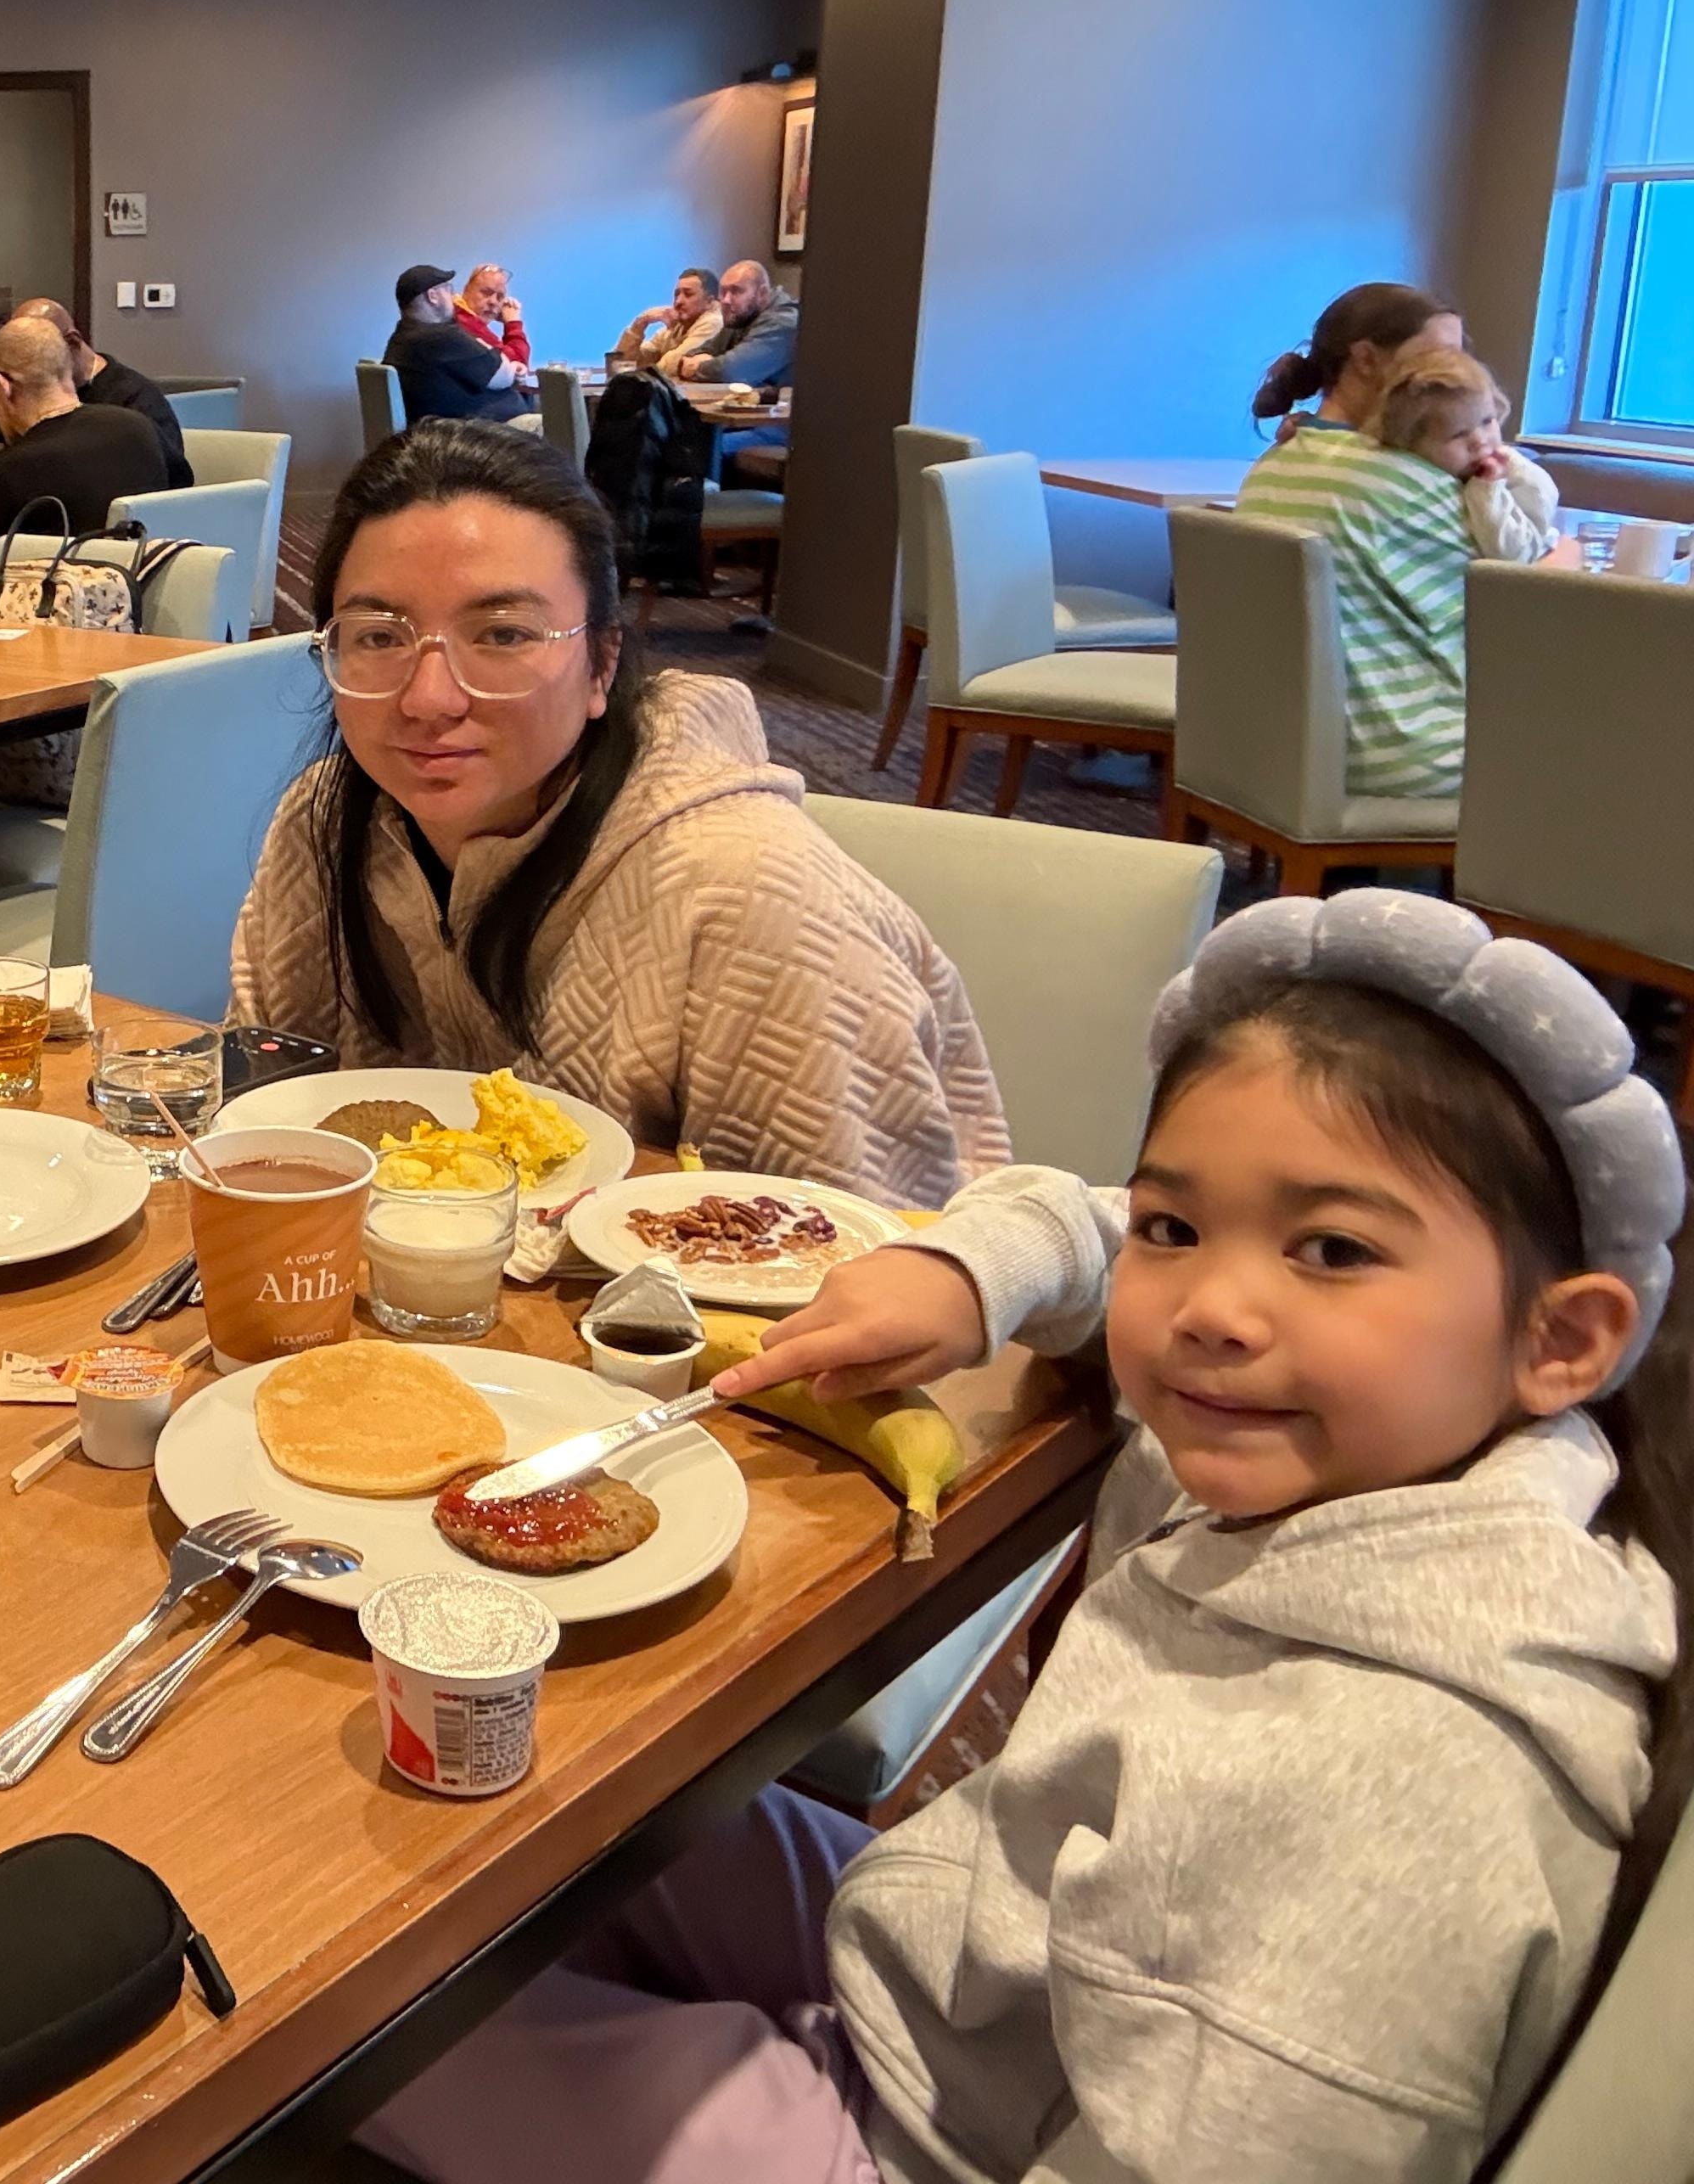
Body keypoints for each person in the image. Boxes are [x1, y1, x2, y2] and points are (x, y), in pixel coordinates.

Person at [361, 889, 1689, 2184]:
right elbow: (1098, 1222)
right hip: (981, 1971)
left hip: (931, 2143)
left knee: (366, 2034)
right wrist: (965, 1271)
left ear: (1560, 1340)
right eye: (1181, 1227)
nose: (1211, 1307)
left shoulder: (1393, 1803)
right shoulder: (1394, 1449)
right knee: (551, 1826)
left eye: (1333, 1251)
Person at [229, 421, 1005, 1207]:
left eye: (503, 634)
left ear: (602, 663)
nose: (430, 699)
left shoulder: (756, 899)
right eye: (378, 636)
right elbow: (258, 1128)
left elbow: (854, 1245)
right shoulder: (327, 819)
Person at [1237, 281, 1478, 800]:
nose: (1454, 377)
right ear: (1365, 359)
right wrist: (1563, 554)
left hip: (1278, 749)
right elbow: (1510, 611)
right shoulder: (1412, 484)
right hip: (1407, 760)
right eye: (1438, 357)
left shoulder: (1272, 465)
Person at [0, 317, 169, 609]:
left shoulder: (9, 468)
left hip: (54, 607)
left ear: (3, 386)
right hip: (146, 589)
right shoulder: (139, 427)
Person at [1373, 346, 1566, 565]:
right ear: (1410, 445)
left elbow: (1514, 555)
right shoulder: (1418, 476)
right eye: (1459, 434)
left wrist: (1486, 490)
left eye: (1487, 421)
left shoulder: (1524, 480)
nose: (1480, 441)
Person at [8, 294, 191, 481]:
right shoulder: (39, 395)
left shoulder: (136, 400)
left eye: (41, 356)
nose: (32, 370)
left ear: (72, 342)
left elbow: (171, 480)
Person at [383, 265, 529, 425]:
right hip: (467, 434)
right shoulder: (440, 337)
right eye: (448, 289)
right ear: (433, 296)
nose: (453, 297)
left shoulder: (402, 337)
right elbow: (502, 375)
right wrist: (510, 366)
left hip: (439, 428)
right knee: (547, 421)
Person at [677, 259, 799, 389]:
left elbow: (734, 371)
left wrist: (698, 367)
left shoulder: (783, 321)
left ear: (762, 293)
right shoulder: (740, 317)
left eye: (736, 291)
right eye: (723, 292)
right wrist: (687, 363)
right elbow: (693, 355)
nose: (726, 300)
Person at [609, 267, 721, 374]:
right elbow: (619, 365)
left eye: (688, 294)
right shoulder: (675, 326)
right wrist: (640, 323)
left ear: (709, 301)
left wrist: (635, 376)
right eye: (677, 294)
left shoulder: (713, 322)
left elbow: (674, 365)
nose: (678, 301)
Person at [453, 263, 536, 389]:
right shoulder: (463, 321)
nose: (493, 302)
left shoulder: (460, 315)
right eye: (486, 293)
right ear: (466, 291)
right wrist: (513, 323)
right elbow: (518, 367)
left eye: (500, 297)